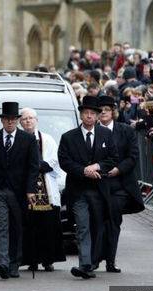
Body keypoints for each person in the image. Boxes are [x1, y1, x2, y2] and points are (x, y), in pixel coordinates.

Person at [58, 95, 118, 279]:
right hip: (78, 190)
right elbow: (64, 161)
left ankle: (92, 262)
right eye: (86, 113)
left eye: (93, 113)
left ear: (98, 116)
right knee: (82, 226)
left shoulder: (106, 135)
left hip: (99, 190)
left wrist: (97, 166)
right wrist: (84, 170)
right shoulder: (69, 137)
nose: (89, 116)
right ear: (81, 115)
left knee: (97, 226)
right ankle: (84, 264)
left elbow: (113, 158)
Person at [0, 102, 39, 279]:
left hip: (19, 191)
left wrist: (30, 190)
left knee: (16, 228)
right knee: (0, 226)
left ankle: (14, 263)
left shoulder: (28, 140)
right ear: (2, 120)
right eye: (7, 119)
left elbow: (33, 167)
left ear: (18, 120)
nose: (10, 122)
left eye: (13, 119)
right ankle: (2, 263)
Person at [92, 95, 145, 273]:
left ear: (113, 112)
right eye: (101, 110)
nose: (104, 113)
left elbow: (133, 156)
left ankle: (109, 261)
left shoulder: (126, 131)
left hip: (120, 185)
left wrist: (118, 169)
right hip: (98, 184)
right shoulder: (93, 132)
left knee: (113, 220)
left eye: (107, 110)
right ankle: (95, 259)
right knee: (98, 222)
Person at [18, 107, 66, 272]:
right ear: (20, 121)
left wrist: (35, 167)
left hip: (46, 186)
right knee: (29, 226)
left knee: (48, 226)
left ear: (36, 120)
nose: (28, 121)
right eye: (24, 119)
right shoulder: (18, 139)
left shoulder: (48, 139)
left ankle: (48, 260)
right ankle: (31, 260)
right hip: (26, 188)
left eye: (31, 118)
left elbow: (54, 161)